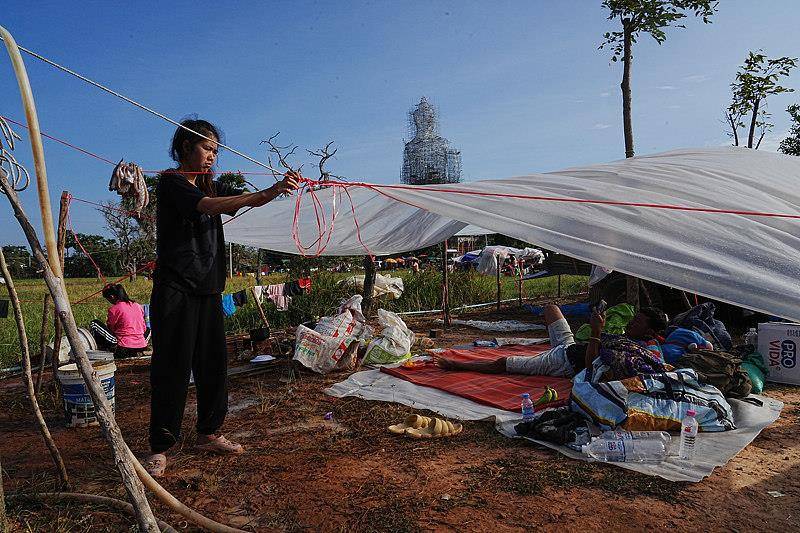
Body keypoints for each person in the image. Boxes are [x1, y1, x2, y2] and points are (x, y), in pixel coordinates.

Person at [145, 118, 300, 477]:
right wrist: (266, 193)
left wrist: (273, 193)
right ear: (186, 147)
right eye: (207, 148)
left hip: (209, 288)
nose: (212, 156)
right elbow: (209, 207)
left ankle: (209, 433)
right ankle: (161, 446)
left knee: (213, 366)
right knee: (172, 367)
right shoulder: (172, 183)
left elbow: (225, 204)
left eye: (216, 150)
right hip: (176, 289)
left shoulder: (206, 187)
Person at [435, 304, 668, 379]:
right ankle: (545, 348)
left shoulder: (636, 354)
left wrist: (597, 332)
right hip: (570, 346)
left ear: (648, 332)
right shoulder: (635, 340)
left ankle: (457, 364)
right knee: (551, 309)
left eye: (636, 322)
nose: (630, 324)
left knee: (504, 362)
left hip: (565, 362)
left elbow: (589, 369)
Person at [88, 283, 148, 358]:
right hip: (141, 343)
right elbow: (144, 328)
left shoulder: (114, 309)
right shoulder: (137, 305)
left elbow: (111, 328)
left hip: (124, 344)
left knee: (94, 323)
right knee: (148, 329)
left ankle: (98, 347)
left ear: (112, 297)